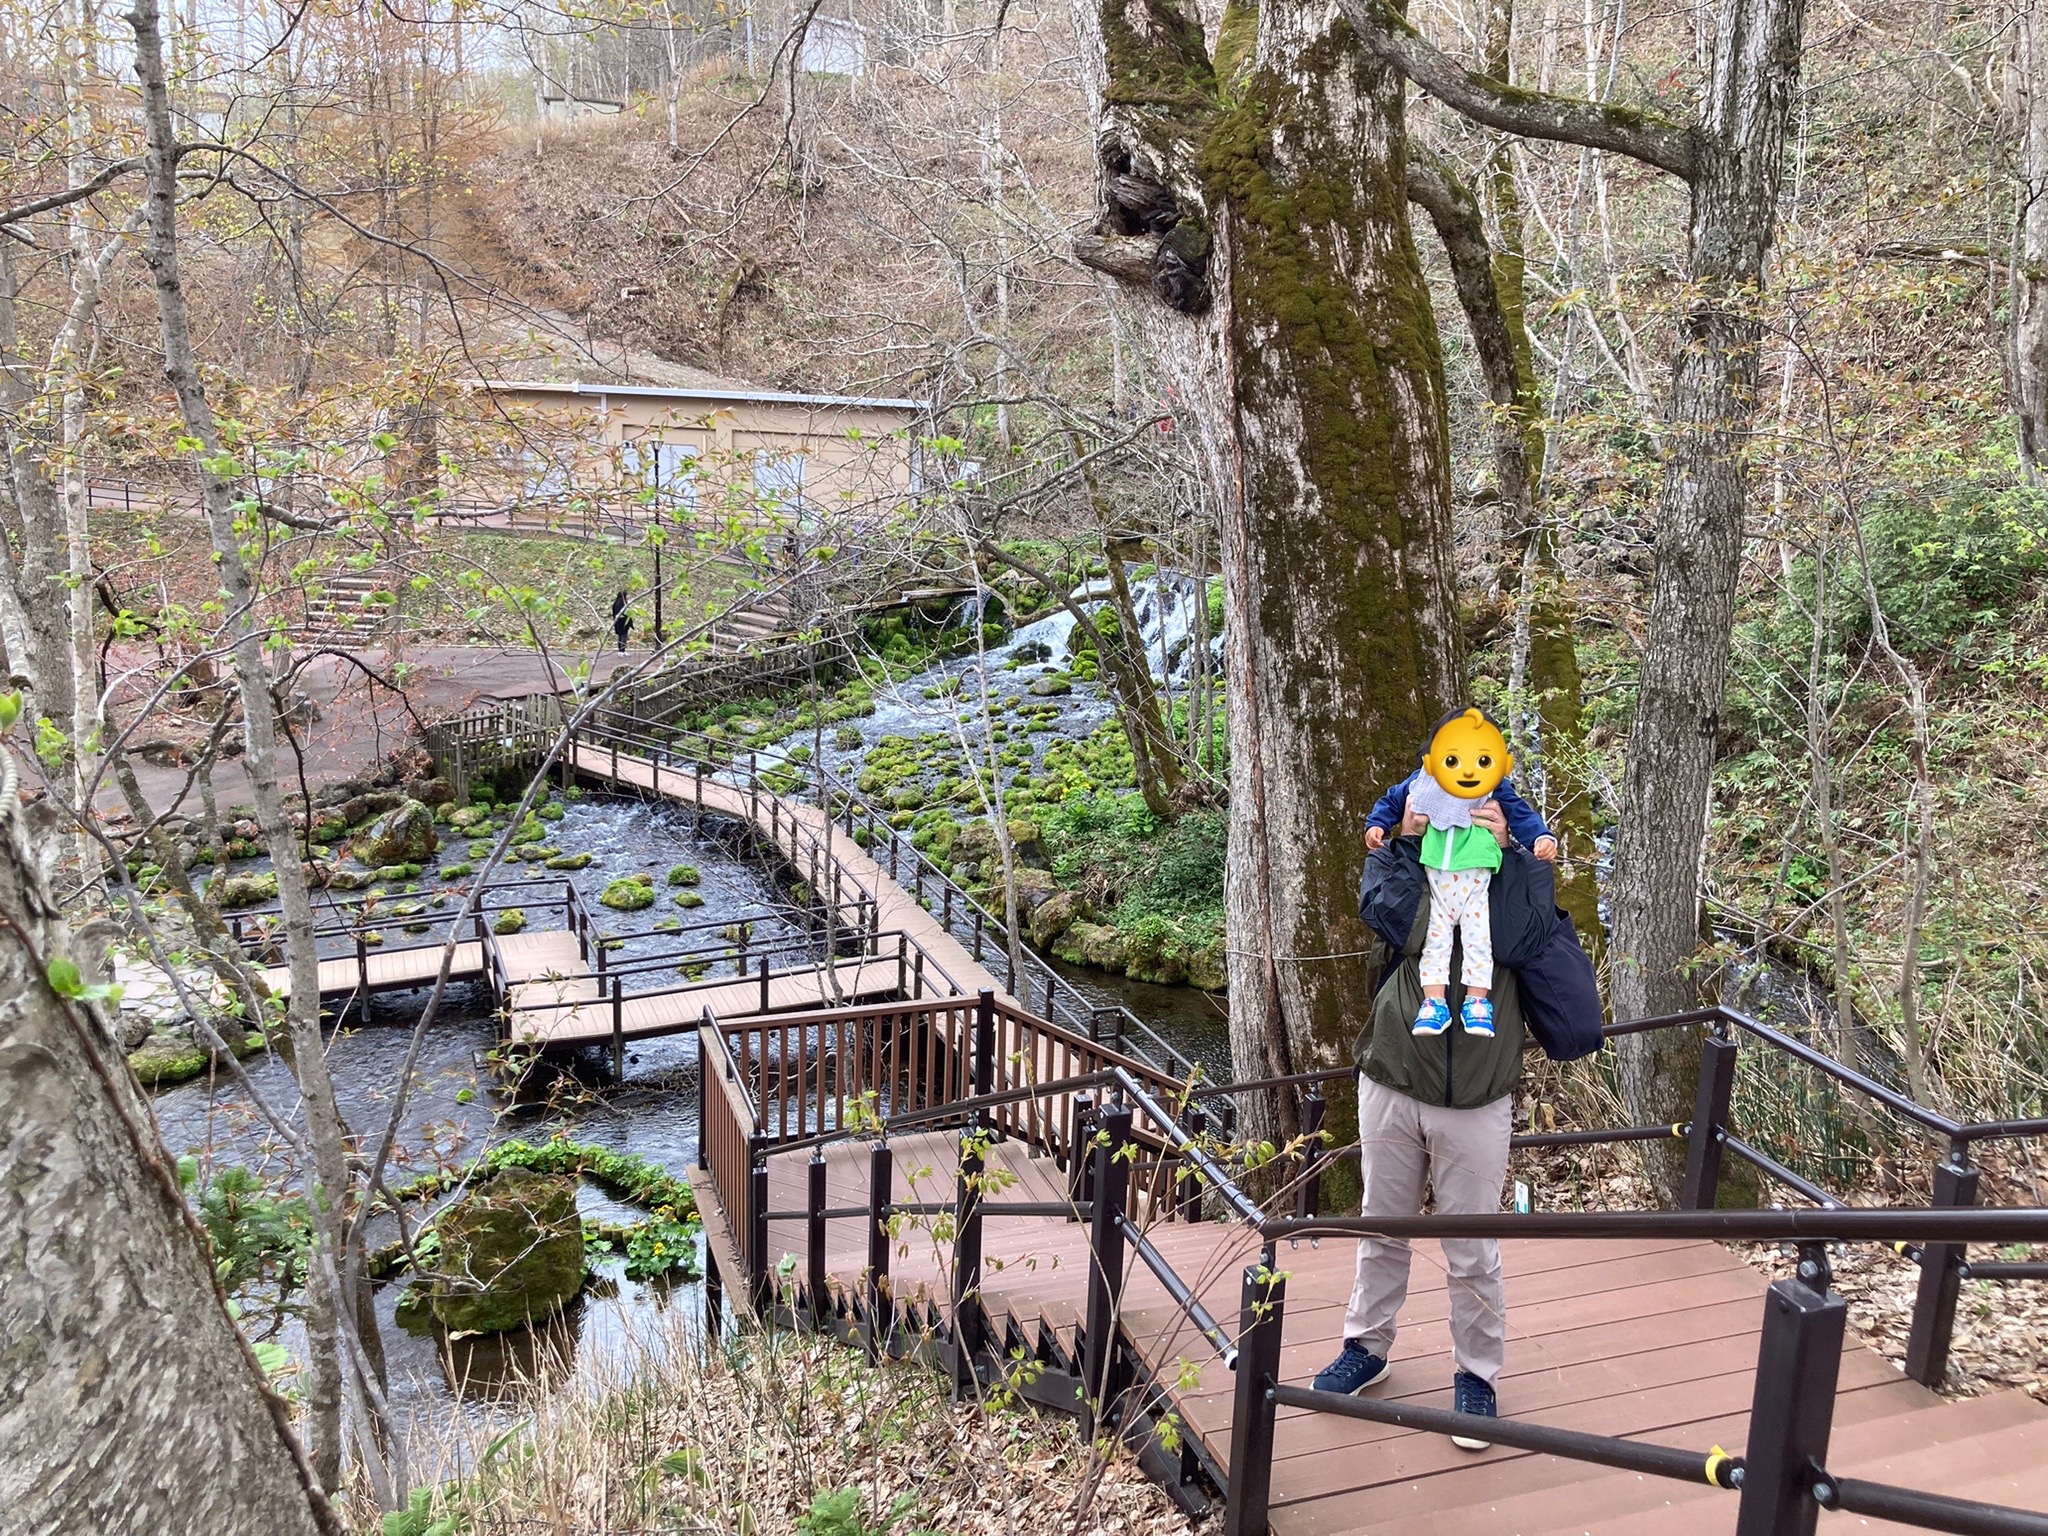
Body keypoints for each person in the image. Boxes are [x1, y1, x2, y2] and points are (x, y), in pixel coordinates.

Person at [1313, 785, 1555, 1452]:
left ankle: (1477, 1374)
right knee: (1381, 1221)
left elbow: (1525, 938)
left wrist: (1509, 854)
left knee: (1470, 1246)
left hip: (1479, 1090)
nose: (1461, 790)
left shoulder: (1515, 846)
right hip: (1394, 1072)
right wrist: (1408, 842)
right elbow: (1394, 922)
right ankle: (1366, 1345)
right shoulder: (1411, 837)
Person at [1371, 708, 1556, 1039]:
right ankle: (1433, 1004)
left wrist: (1531, 840)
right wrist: (1390, 830)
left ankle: (1478, 1002)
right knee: (1434, 941)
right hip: (1397, 1058)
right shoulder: (1420, 786)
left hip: (1477, 882)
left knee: (1479, 939)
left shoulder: (1494, 788)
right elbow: (1391, 801)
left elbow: (1521, 814)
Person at [610, 589, 632, 654]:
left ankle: (620, 650)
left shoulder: (615, 603)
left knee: (620, 636)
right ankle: (622, 650)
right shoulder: (623, 604)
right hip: (623, 622)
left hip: (617, 622)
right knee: (624, 636)